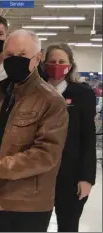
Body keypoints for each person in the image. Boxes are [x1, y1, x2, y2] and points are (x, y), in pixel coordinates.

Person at [0, 29, 69, 232]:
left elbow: (44, 156)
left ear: (37, 58)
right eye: (9, 55)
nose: (15, 60)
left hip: (27, 206)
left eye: (23, 55)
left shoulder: (51, 101)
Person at [44, 43, 97, 232]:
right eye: (52, 62)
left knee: (68, 226)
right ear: (43, 65)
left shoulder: (83, 94)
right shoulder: (36, 92)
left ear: (70, 64)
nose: (56, 65)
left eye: (61, 61)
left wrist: (87, 178)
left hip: (71, 175)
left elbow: (88, 138)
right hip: (39, 174)